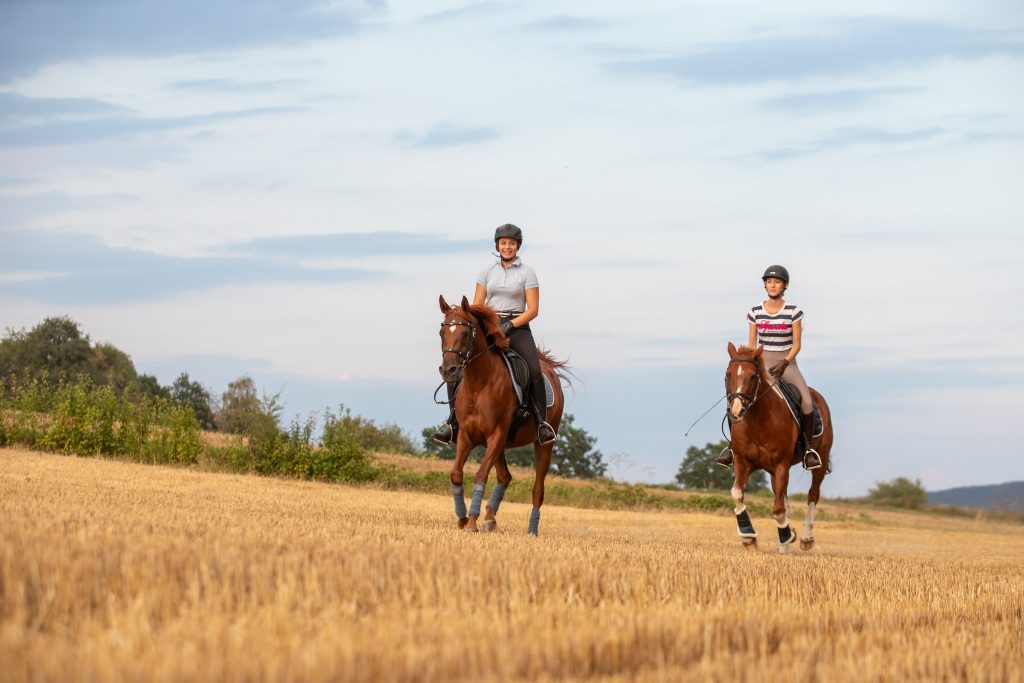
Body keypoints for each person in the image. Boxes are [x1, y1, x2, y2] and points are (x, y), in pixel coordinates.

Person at [433, 224, 557, 446]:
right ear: (497, 246)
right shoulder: (487, 271)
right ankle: (452, 422)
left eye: (511, 243)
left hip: (517, 326)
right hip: (489, 324)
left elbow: (533, 309)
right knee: (460, 366)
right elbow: (477, 304)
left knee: (534, 368)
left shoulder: (527, 272)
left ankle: (541, 424)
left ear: (517, 246)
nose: (507, 247)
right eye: (503, 243)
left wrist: (509, 326)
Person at [717, 265, 822, 470]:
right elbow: (751, 344)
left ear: (785, 286)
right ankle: (733, 447)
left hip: (786, 362)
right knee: (738, 401)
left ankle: (808, 450)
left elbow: (797, 344)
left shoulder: (794, 311)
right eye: (769, 282)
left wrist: (785, 362)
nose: (772, 285)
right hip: (761, 363)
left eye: (777, 282)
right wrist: (751, 363)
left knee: (807, 402)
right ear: (765, 285)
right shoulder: (755, 311)